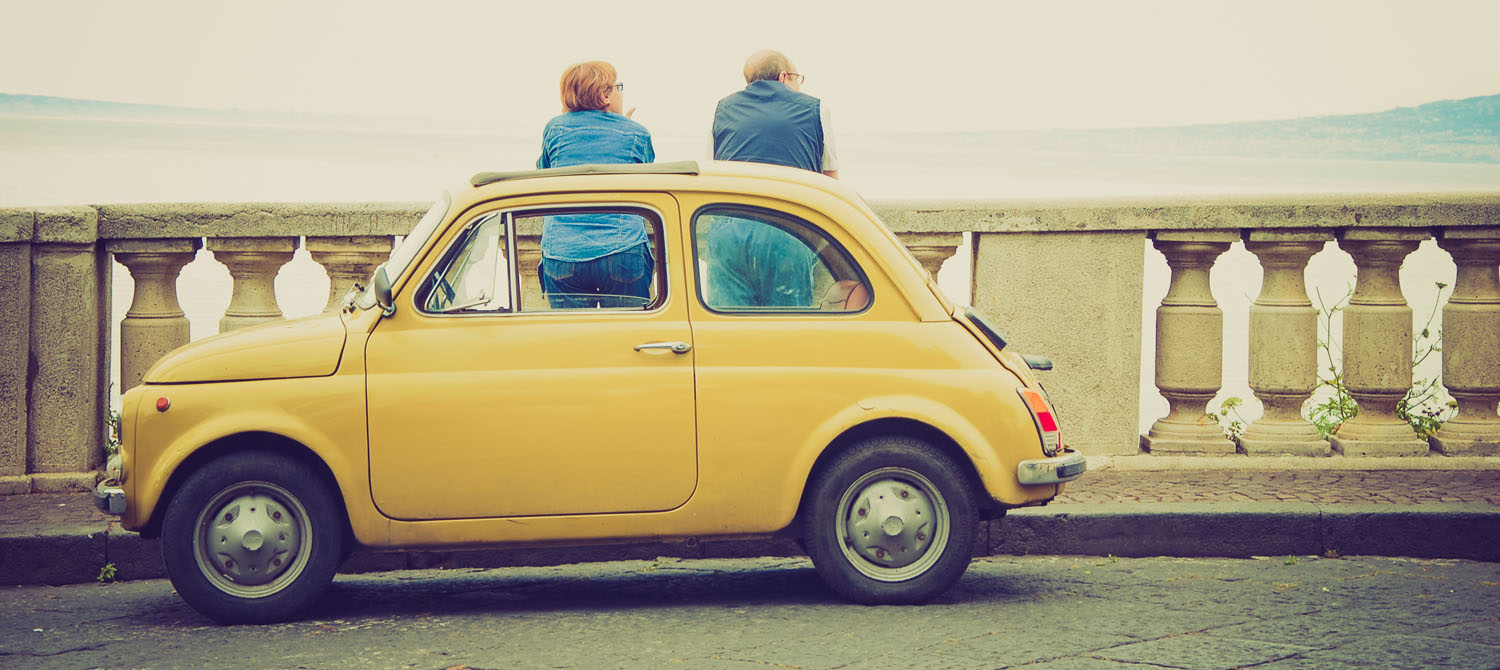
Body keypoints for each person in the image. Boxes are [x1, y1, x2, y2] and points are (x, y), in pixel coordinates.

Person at [703, 50, 838, 308]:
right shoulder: (817, 109)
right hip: (787, 230)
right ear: (784, 76)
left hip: (728, 232)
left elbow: (712, 173)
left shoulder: (722, 109)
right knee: (786, 332)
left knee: (729, 332)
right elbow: (830, 184)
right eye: (798, 78)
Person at [536, 60, 655, 308]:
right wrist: (624, 124)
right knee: (629, 338)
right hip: (623, 246)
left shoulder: (554, 128)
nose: (620, 93)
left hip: (563, 250)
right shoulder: (637, 132)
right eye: (617, 87)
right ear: (605, 93)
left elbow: (543, 173)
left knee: (573, 342)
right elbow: (648, 178)